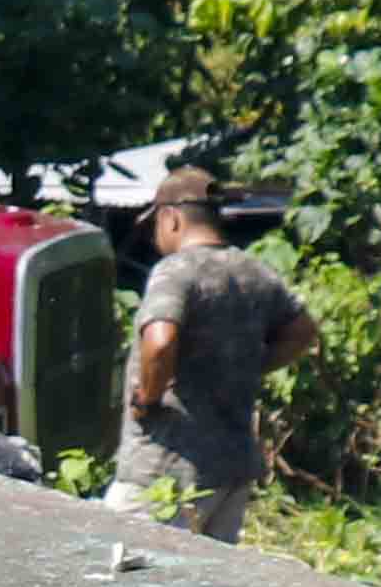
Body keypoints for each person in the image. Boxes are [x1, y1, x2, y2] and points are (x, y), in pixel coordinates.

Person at [117, 187, 314, 539]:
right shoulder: (255, 272)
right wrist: (253, 364)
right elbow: (303, 330)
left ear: (170, 218)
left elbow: (160, 342)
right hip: (230, 471)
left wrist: (148, 398)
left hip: (166, 470)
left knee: (119, 570)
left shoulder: (174, 271)